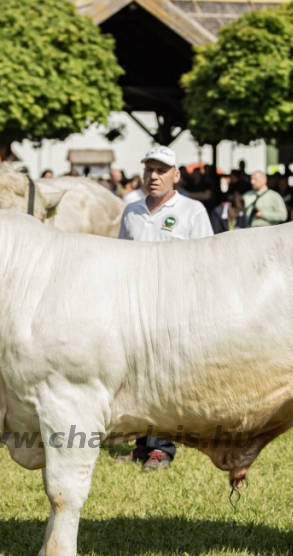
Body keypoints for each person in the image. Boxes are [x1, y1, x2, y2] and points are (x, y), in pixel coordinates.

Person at [116, 145, 211, 471]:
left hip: (175, 308)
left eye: (161, 171)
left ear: (176, 175)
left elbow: (206, 261)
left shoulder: (192, 211)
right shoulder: (131, 211)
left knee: (165, 379)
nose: (153, 177)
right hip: (135, 308)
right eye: (149, 170)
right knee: (137, 377)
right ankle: (142, 443)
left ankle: (162, 448)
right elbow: (122, 259)